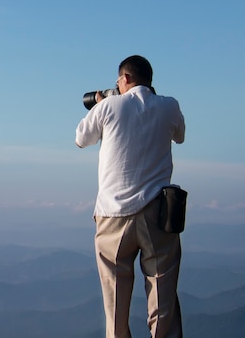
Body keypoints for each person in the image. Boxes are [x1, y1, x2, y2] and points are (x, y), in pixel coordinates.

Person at [75, 55, 186, 338]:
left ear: (124, 79)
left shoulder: (108, 106)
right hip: (158, 214)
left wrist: (101, 105)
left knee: (115, 302)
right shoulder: (169, 105)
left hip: (113, 214)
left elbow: (81, 139)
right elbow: (180, 135)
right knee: (162, 296)